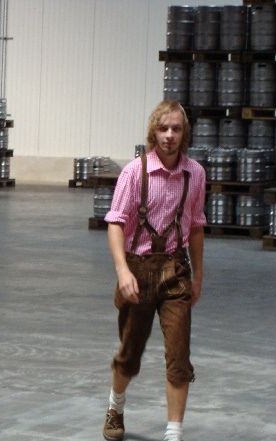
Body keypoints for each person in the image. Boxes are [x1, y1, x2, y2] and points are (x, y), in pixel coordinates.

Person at [102, 99, 206, 441]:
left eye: (176, 128)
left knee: (179, 358)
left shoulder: (195, 174)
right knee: (129, 355)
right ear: (153, 132)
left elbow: (196, 227)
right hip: (138, 270)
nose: (169, 135)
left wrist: (198, 276)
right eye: (163, 128)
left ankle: (173, 432)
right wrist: (122, 271)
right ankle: (116, 406)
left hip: (176, 272)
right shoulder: (135, 172)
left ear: (184, 133)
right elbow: (115, 223)